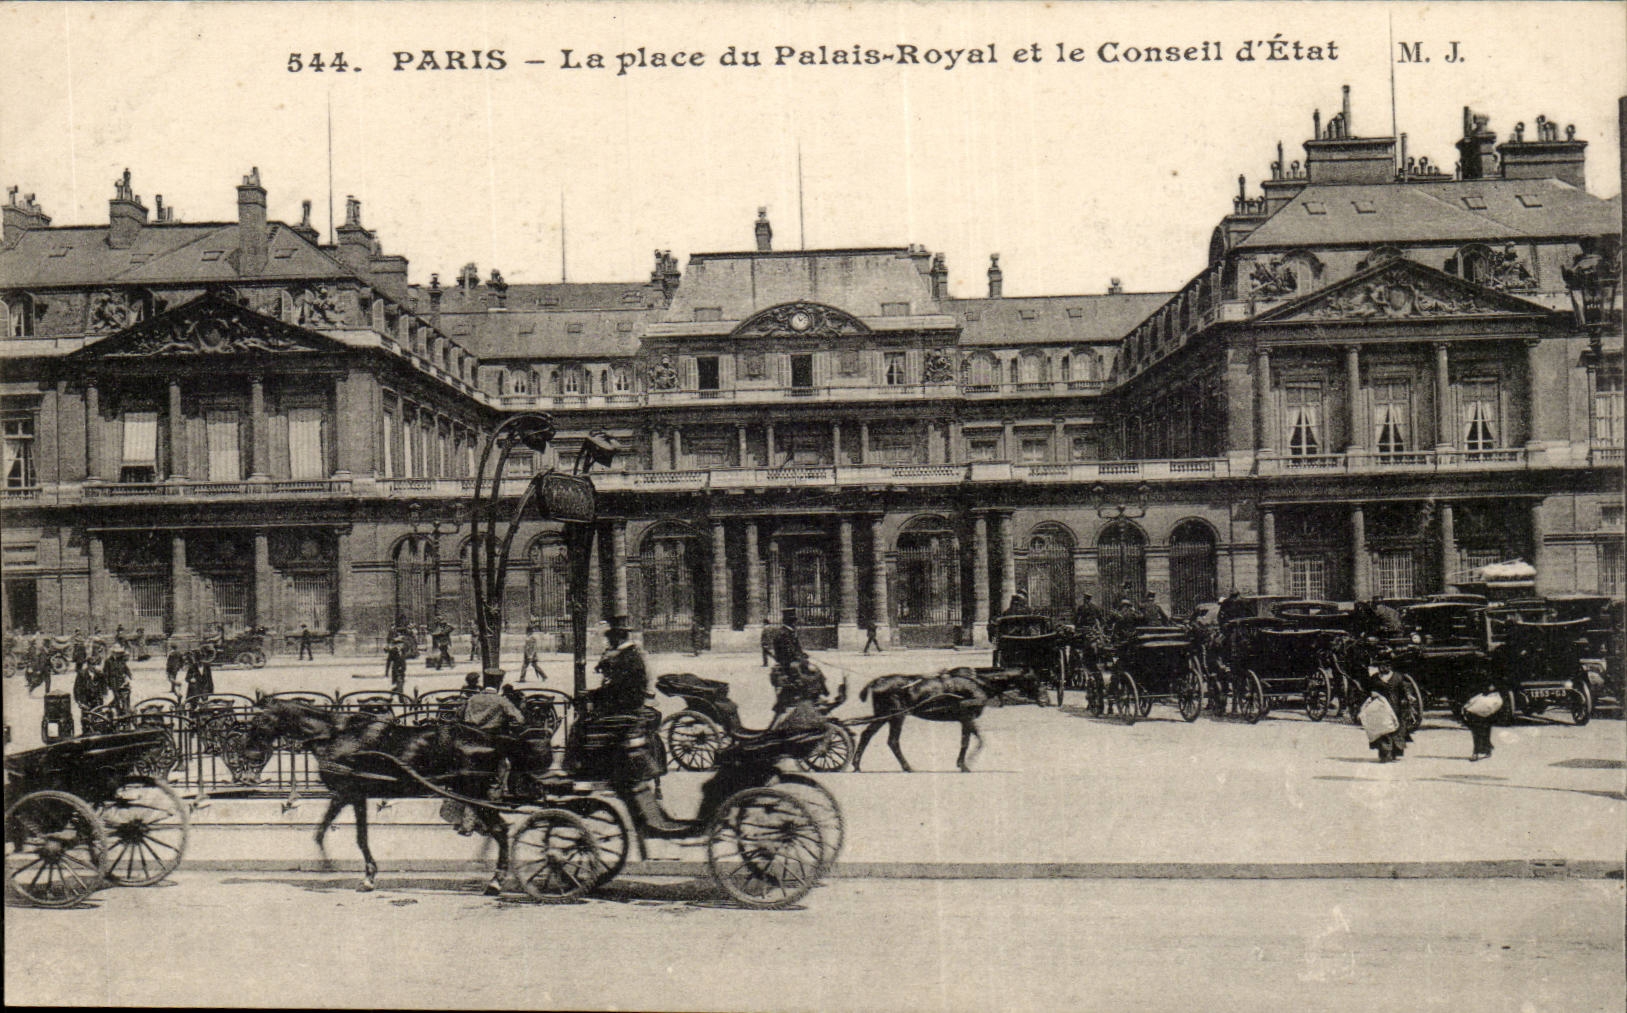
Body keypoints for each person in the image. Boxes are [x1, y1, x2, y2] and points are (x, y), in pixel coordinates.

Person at [1461, 679, 1504, 761]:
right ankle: (1476, 752)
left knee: (1485, 733)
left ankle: (1485, 749)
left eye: (1492, 685)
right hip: (1476, 715)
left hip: (1487, 716)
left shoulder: (1496, 696)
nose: (1490, 687)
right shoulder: (1481, 692)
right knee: (1477, 733)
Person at [101, 643, 133, 713]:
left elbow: (125, 668)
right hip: (113, 681)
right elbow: (106, 673)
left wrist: (129, 674)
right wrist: (106, 684)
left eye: (119, 653)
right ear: (113, 653)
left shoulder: (121, 660)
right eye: (116, 653)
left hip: (121, 680)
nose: (118, 654)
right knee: (117, 697)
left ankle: (124, 708)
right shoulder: (108, 661)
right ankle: (118, 710)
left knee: (125, 695)